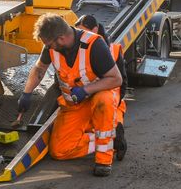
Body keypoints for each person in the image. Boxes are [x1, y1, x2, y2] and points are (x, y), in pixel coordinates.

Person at [19, 14, 123, 176]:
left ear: (61, 38)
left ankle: (104, 160)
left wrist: (86, 90)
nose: (48, 48)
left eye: (49, 44)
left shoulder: (94, 44)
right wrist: (26, 93)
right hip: (74, 104)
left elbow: (116, 79)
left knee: (104, 99)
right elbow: (40, 69)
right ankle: (109, 138)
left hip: (97, 97)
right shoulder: (51, 48)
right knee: (60, 151)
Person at [75, 14, 127, 160]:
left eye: (84, 31)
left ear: (95, 30)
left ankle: (114, 142)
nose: (81, 36)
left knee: (108, 116)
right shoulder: (79, 48)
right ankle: (103, 141)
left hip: (109, 97)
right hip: (88, 95)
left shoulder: (112, 50)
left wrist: (114, 103)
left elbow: (123, 82)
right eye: (78, 32)